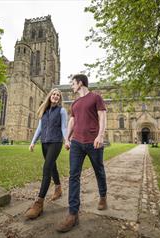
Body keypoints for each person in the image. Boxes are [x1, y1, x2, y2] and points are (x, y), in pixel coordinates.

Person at [57, 74, 108, 232]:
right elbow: (72, 121)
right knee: (73, 176)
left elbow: (102, 116)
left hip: (93, 141)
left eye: (73, 83)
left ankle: (103, 196)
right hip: (77, 143)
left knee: (99, 170)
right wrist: (67, 138)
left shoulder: (95, 97)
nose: (71, 86)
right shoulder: (75, 103)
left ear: (80, 83)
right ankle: (73, 213)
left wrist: (100, 135)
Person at [24, 88, 68, 220]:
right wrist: (32, 142)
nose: (55, 96)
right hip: (44, 143)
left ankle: (39, 203)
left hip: (56, 142)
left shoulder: (62, 111)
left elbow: (64, 127)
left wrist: (66, 140)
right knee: (52, 165)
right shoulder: (44, 110)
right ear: (50, 96)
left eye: (58, 95)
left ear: (60, 98)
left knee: (46, 168)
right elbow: (39, 128)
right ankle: (58, 188)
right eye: (54, 94)